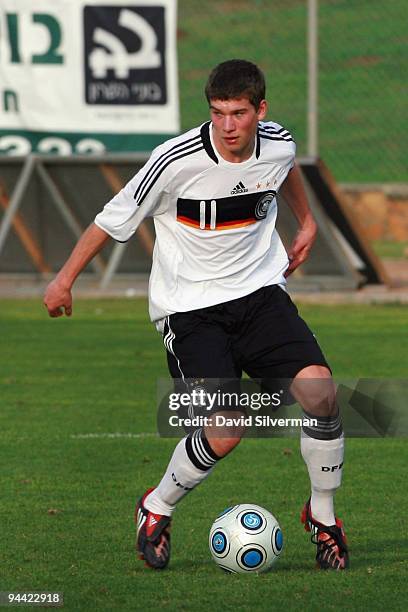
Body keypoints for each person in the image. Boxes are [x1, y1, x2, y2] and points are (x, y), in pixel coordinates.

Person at [44, 59, 348, 571]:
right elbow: (110, 220)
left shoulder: (278, 142)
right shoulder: (175, 161)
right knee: (228, 427)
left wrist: (308, 221)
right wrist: (63, 279)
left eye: (238, 113)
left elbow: (284, 169)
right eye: (217, 113)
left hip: (260, 296)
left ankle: (323, 516)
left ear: (260, 110)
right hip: (191, 311)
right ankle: (157, 505)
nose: (227, 125)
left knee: (321, 391)